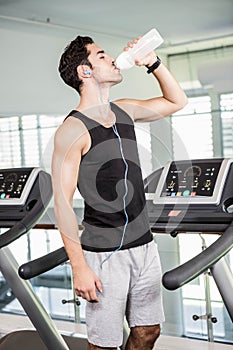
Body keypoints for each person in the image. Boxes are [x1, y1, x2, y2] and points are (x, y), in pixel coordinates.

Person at [52, 33, 188, 350]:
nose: (112, 58)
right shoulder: (72, 130)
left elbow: (177, 102)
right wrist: (79, 268)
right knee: (104, 343)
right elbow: (61, 203)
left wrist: (152, 62)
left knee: (148, 331)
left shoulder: (124, 110)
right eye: (101, 55)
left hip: (144, 245)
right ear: (85, 71)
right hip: (103, 254)